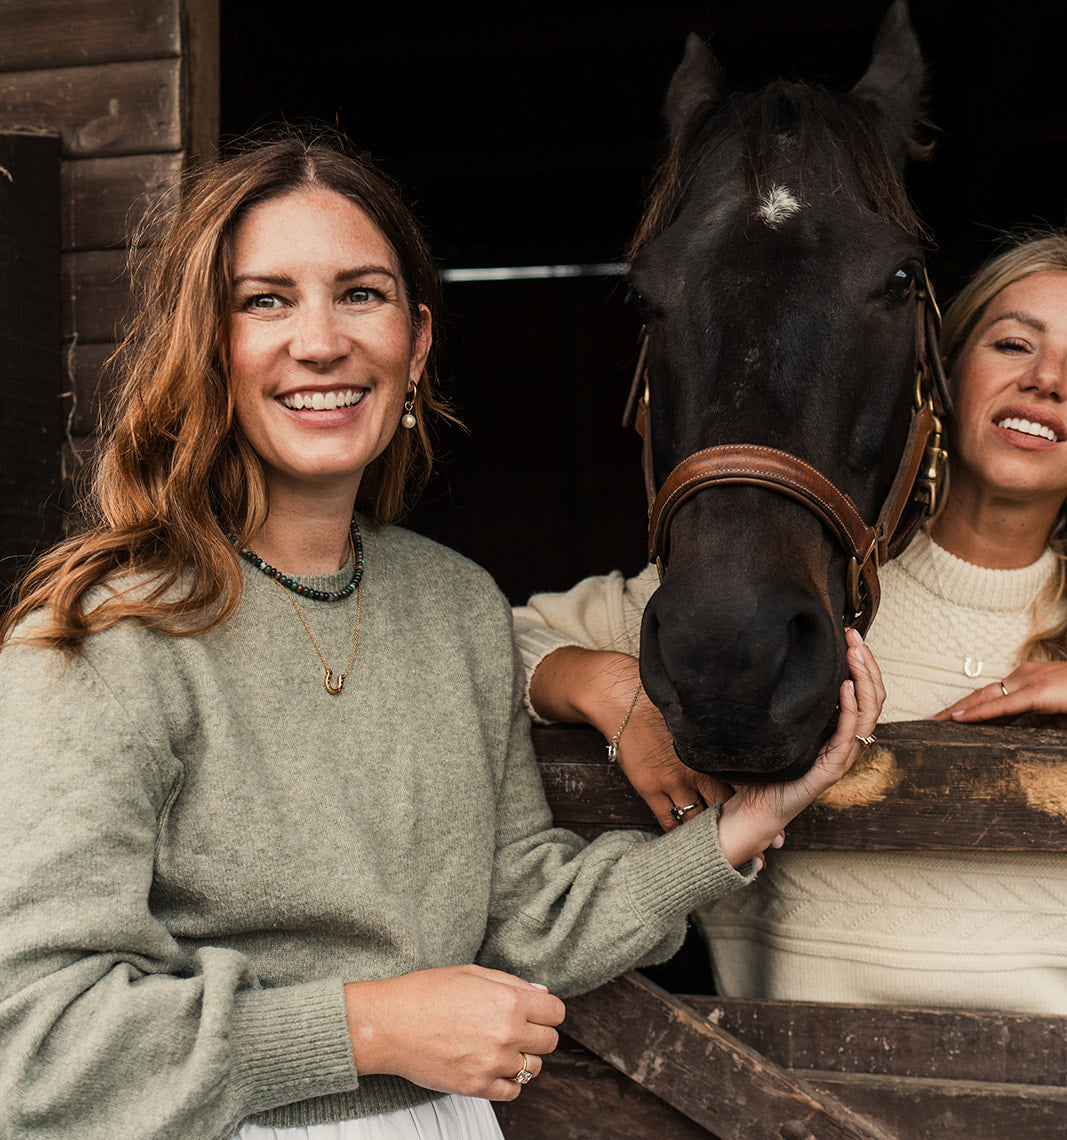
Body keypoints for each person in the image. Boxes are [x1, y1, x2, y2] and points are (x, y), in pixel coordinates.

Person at [0, 133, 881, 1140]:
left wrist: (738, 829)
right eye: (265, 300)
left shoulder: (455, 603)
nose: (321, 340)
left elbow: (516, 912)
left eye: (360, 294)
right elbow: (33, 1043)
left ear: (416, 344)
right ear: (205, 341)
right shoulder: (98, 637)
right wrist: (366, 1030)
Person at [514, 230, 1067, 1015]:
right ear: (936, 376)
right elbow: (482, 642)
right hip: (782, 1105)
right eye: (1014, 343)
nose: (1046, 380)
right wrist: (600, 683)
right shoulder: (790, 596)